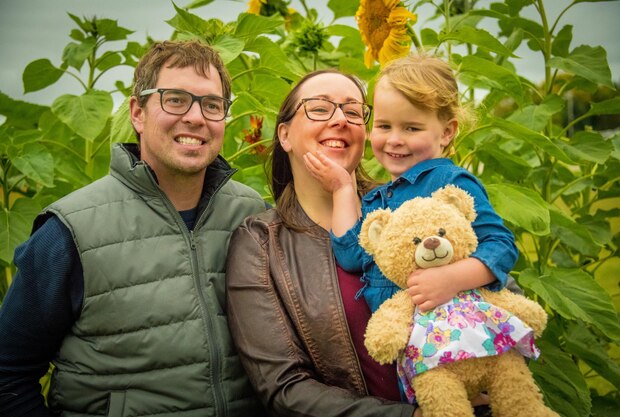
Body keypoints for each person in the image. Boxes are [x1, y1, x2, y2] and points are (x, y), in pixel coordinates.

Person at [0, 40, 267, 416]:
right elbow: (8, 374)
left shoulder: (253, 215)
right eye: (175, 99)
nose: (195, 117)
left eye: (212, 104)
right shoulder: (70, 232)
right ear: (137, 113)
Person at [225, 69, 490, 417]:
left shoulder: (411, 204)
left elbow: (493, 280)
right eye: (319, 108)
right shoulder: (261, 244)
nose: (340, 119)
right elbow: (284, 387)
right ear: (285, 134)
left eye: (353, 112)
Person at [303, 53, 519, 316]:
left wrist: (452, 279)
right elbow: (352, 257)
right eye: (384, 126)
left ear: (447, 132)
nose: (394, 139)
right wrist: (342, 189)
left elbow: (501, 245)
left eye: (411, 129)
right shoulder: (378, 199)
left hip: (451, 332)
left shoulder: (450, 184)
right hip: (404, 342)